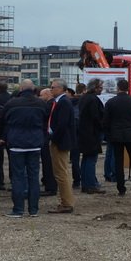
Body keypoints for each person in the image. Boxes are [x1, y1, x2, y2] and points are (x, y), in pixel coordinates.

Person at [2, 79, 47, 217]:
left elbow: (5, 120)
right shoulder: (41, 103)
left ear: (20, 89)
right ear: (33, 89)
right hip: (34, 143)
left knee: (18, 177)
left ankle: (18, 209)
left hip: (17, 144)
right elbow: (44, 120)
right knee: (34, 177)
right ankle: (33, 209)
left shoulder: (11, 103)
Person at [102, 78, 131, 196]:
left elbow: (105, 122)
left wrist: (110, 134)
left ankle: (121, 188)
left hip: (116, 137)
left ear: (118, 88)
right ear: (127, 88)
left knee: (118, 162)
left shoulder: (110, 103)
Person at [47, 79, 77, 213]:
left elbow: (62, 124)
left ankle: (66, 203)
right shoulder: (59, 102)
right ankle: (65, 201)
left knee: (61, 173)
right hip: (60, 140)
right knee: (61, 172)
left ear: (60, 88)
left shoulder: (63, 102)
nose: (50, 89)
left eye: (52, 87)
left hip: (60, 142)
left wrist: (53, 137)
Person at [77, 78, 106, 194]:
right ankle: (90, 185)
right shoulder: (93, 100)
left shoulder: (84, 98)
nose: (101, 89)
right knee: (91, 159)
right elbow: (96, 117)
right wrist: (102, 126)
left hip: (84, 132)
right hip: (92, 133)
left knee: (85, 159)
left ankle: (85, 184)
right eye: (100, 87)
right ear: (94, 87)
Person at [38, 88, 58, 196]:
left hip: (47, 136)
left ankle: (50, 186)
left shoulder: (49, 105)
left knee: (48, 162)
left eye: (41, 95)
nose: (40, 98)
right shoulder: (52, 104)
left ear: (46, 94)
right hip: (48, 135)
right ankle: (48, 182)